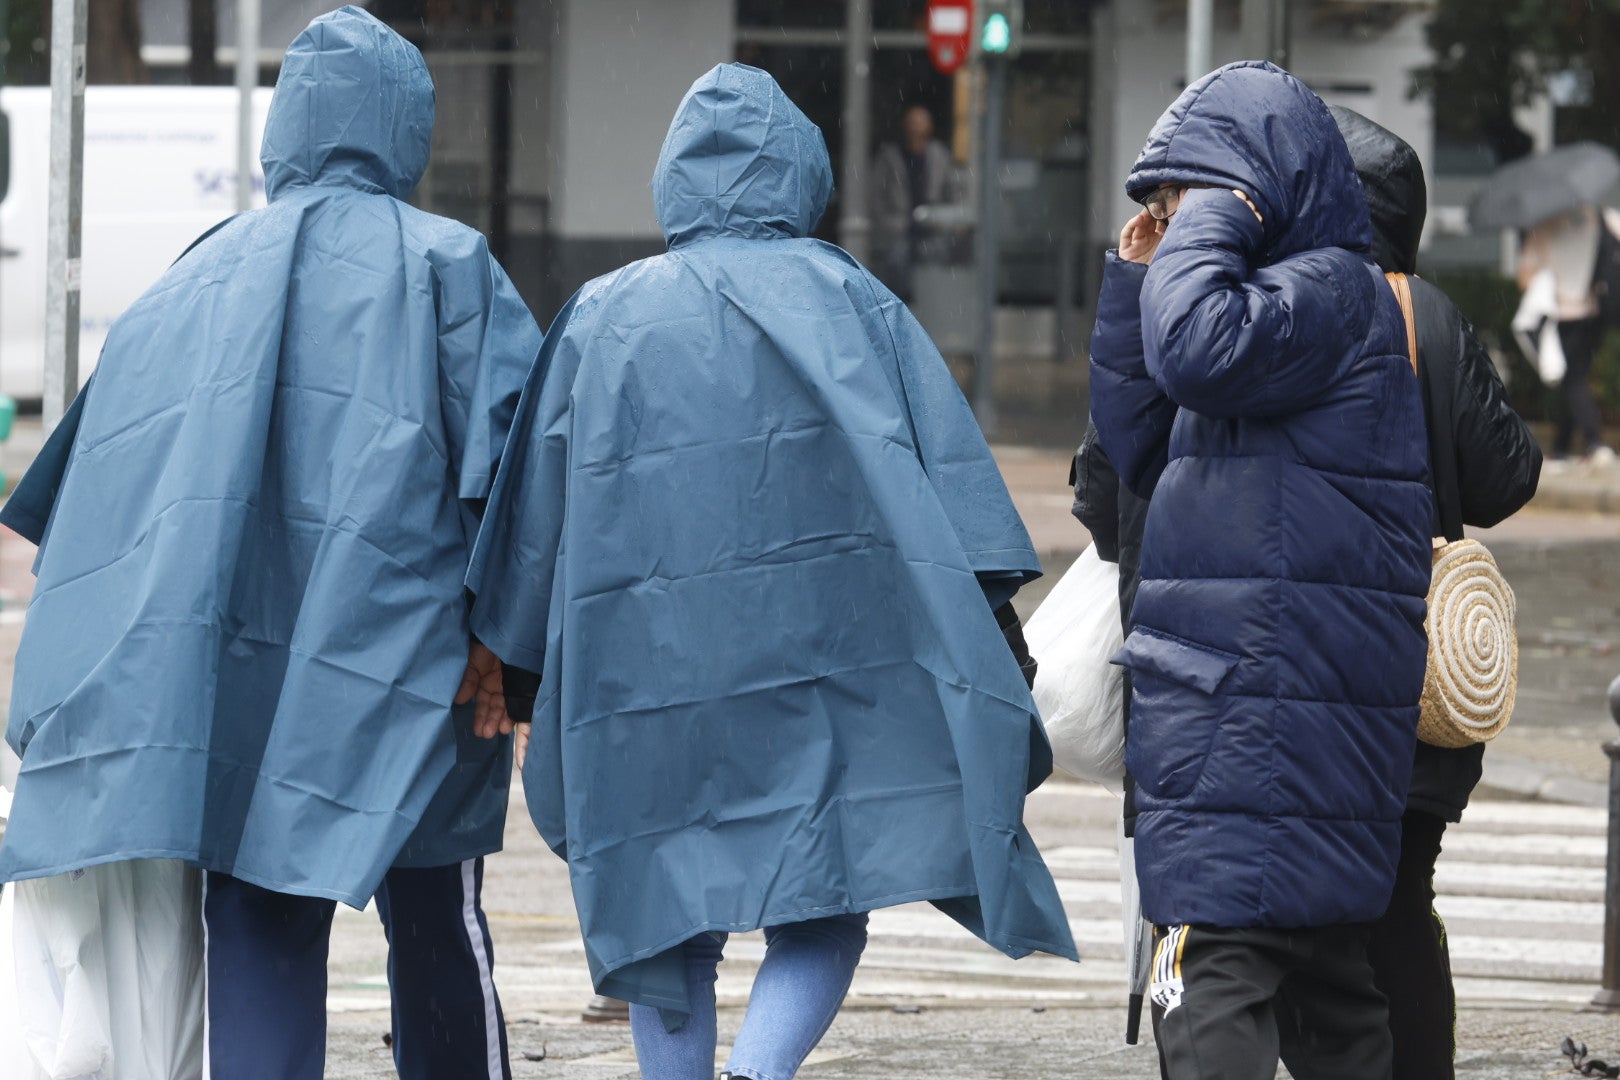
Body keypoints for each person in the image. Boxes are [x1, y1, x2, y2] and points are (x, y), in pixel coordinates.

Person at [465, 63, 1076, 1080]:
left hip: (645, 677)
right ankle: (760, 1073)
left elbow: (533, 524)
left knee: (660, 925)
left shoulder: (600, 317)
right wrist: (994, 649)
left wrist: (515, 669)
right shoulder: (854, 300)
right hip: (822, 669)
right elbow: (956, 503)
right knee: (824, 896)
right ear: (801, 171)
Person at [0, 8, 536, 1077]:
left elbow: (98, 502)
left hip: (236, 678)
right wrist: (508, 653)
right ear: (406, 126)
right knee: (435, 919)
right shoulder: (449, 267)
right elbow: (520, 486)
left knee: (259, 923)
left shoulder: (186, 282)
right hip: (407, 666)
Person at [1088, 61, 1433, 1079]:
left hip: (1257, 721)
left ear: (1256, 196)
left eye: (1186, 199)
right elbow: (1136, 445)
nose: (1172, 216)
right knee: (1332, 997)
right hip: (1269, 717)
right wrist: (1134, 271)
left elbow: (1191, 352)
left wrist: (1214, 219)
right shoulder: (1273, 313)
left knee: (1209, 987)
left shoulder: (1326, 293)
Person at [1331, 105, 1543, 1080]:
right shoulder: (1432, 317)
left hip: (1320, 667)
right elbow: (1506, 478)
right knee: (1402, 902)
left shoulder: (1284, 307)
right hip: (1419, 673)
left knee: (1310, 914)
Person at [1516, 205, 1616, 463]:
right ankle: (1562, 446)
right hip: (1596, 310)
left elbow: (1525, 277)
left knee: (1571, 379)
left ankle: (1595, 443)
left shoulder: (1544, 225)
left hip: (1561, 315)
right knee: (1573, 378)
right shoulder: (1600, 217)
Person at [872, 104, 966, 298]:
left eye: (921, 123)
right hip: (900, 228)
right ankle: (904, 305)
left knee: (939, 261)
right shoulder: (890, 156)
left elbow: (955, 191)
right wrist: (889, 223)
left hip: (933, 225)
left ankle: (933, 305)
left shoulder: (939, 155)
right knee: (897, 261)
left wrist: (954, 219)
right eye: (913, 123)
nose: (916, 129)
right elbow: (876, 196)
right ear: (905, 126)